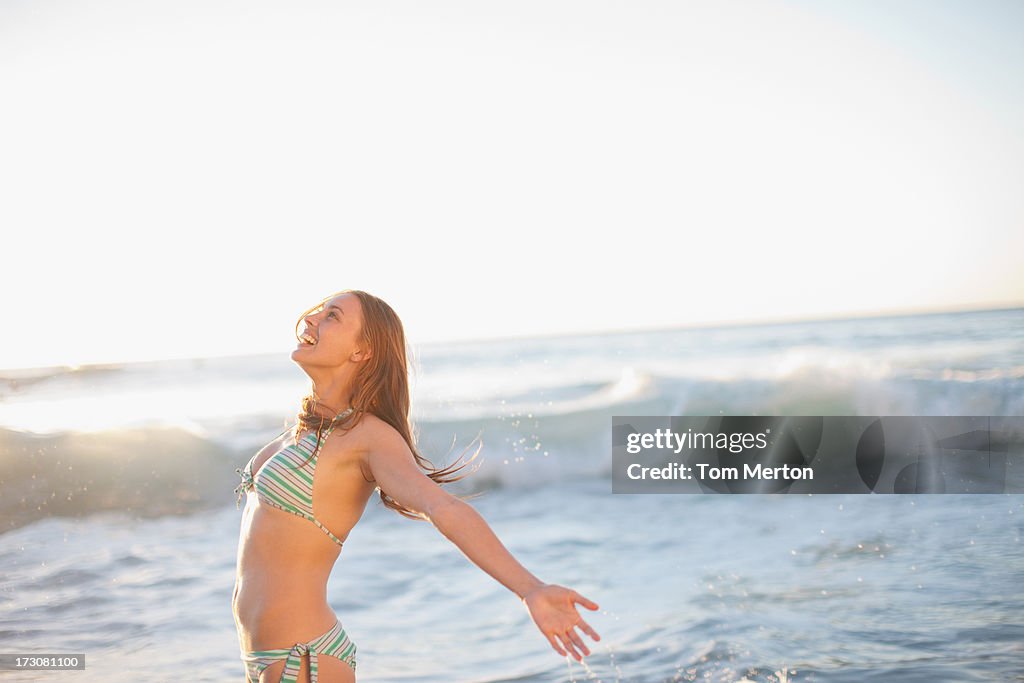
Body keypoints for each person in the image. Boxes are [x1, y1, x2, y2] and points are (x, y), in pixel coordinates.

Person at [232, 289, 601, 682]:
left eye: (332, 316)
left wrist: (530, 589)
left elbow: (443, 507)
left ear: (362, 351)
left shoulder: (369, 437)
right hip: (263, 656)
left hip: (303, 656)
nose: (311, 320)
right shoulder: (301, 430)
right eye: (317, 312)